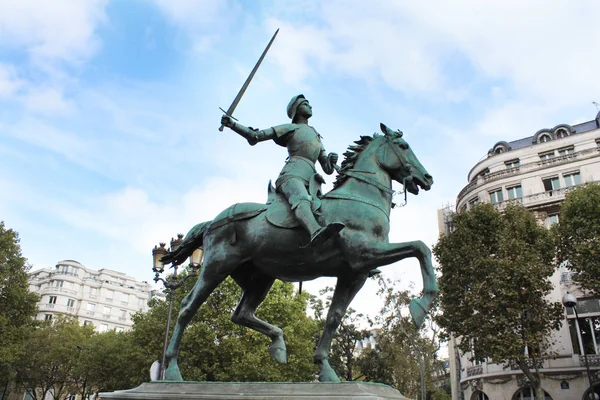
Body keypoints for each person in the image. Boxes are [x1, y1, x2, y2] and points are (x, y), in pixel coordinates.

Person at [220, 94, 344, 247]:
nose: (310, 106)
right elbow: (255, 136)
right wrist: (232, 124)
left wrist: (331, 160)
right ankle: (315, 231)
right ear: (296, 109)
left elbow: (327, 168)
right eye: (306, 104)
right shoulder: (290, 128)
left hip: (312, 181)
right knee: (302, 199)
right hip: (291, 176)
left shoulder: (316, 136)